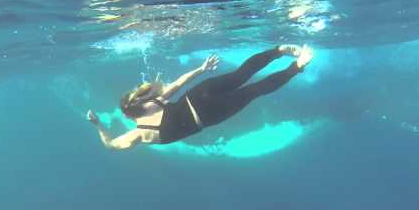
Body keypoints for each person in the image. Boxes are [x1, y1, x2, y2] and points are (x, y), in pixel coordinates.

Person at [87, 44, 313, 150]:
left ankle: (297, 66)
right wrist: (202, 69)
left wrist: (98, 125)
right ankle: (279, 50)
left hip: (207, 114)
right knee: (241, 75)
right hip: (198, 93)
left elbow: (110, 144)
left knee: (253, 91)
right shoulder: (153, 102)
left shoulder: (139, 133)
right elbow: (180, 82)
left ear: (130, 116)